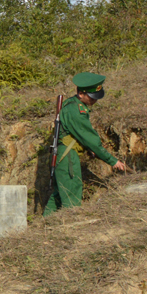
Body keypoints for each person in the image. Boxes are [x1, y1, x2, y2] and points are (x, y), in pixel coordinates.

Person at [44, 72, 127, 216]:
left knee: (60, 193)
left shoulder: (72, 104)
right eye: (92, 97)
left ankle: (44, 226)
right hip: (67, 156)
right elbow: (91, 139)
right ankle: (72, 226)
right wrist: (112, 161)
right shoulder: (76, 110)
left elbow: (78, 136)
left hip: (64, 154)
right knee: (72, 194)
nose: (95, 100)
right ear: (81, 94)